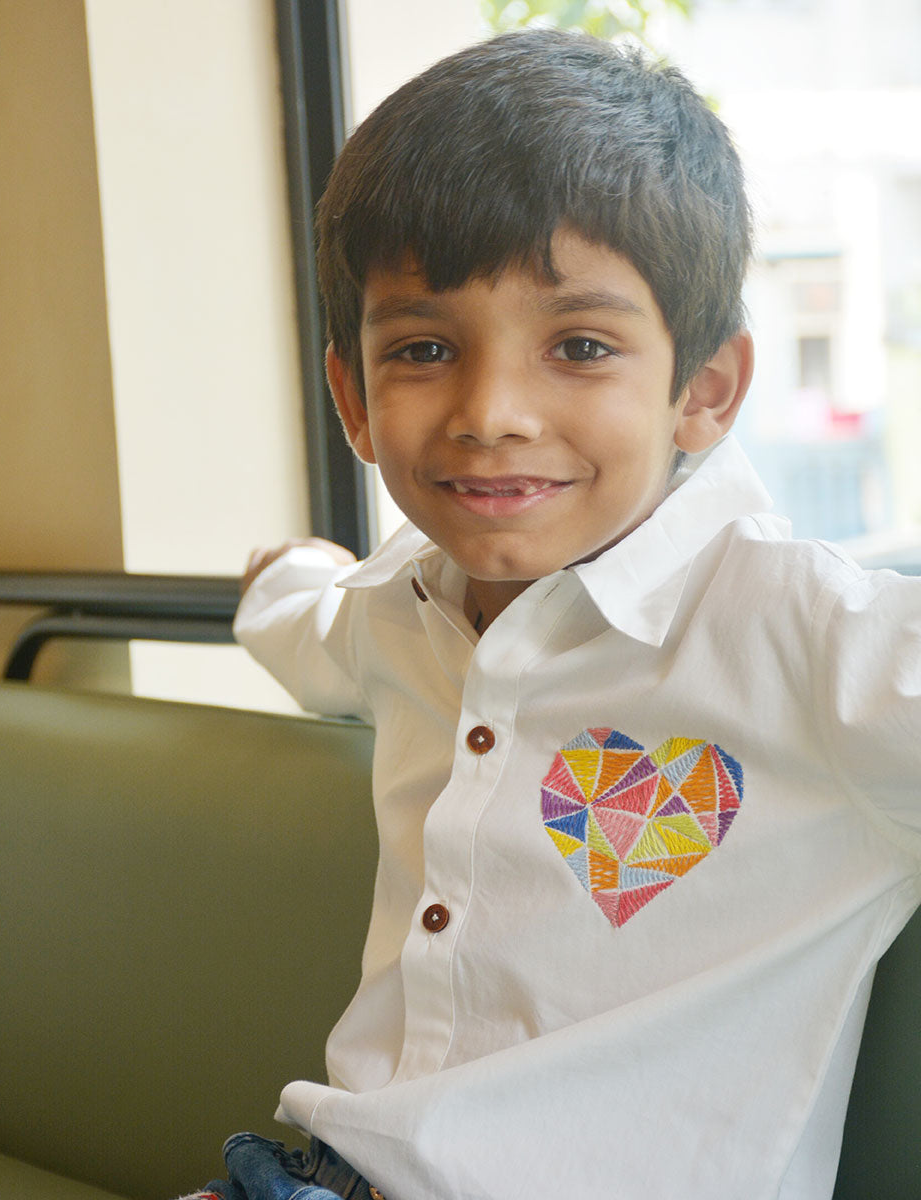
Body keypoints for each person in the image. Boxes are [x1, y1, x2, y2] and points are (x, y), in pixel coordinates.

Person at [185, 27, 921, 1200]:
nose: (492, 412)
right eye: (424, 349)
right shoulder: (398, 609)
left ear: (706, 390)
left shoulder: (804, 636)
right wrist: (287, 568)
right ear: (353, 400)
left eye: (579, 346)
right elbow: (308, 626)